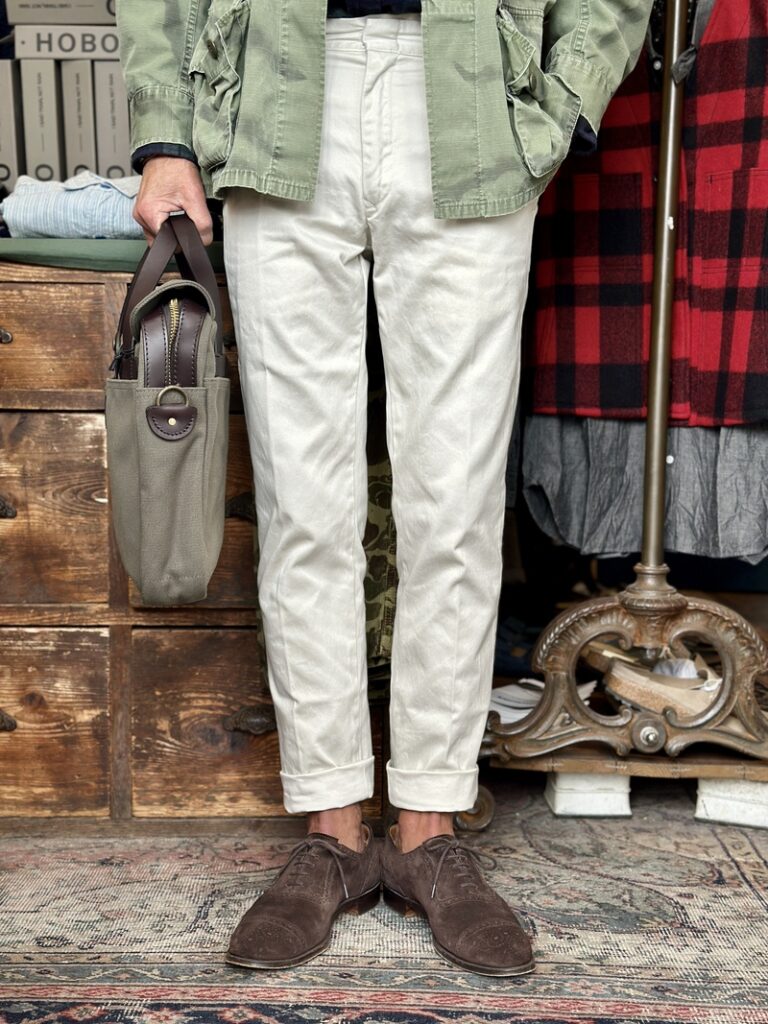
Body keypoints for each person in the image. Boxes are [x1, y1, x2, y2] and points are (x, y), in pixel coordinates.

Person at [116, 0, 652, 977]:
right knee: (302, 507)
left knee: (454, 505)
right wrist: (165, 135)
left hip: (470, 87)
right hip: (274, 83)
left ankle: (426, 832)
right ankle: (333, 833)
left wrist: (558, 106)